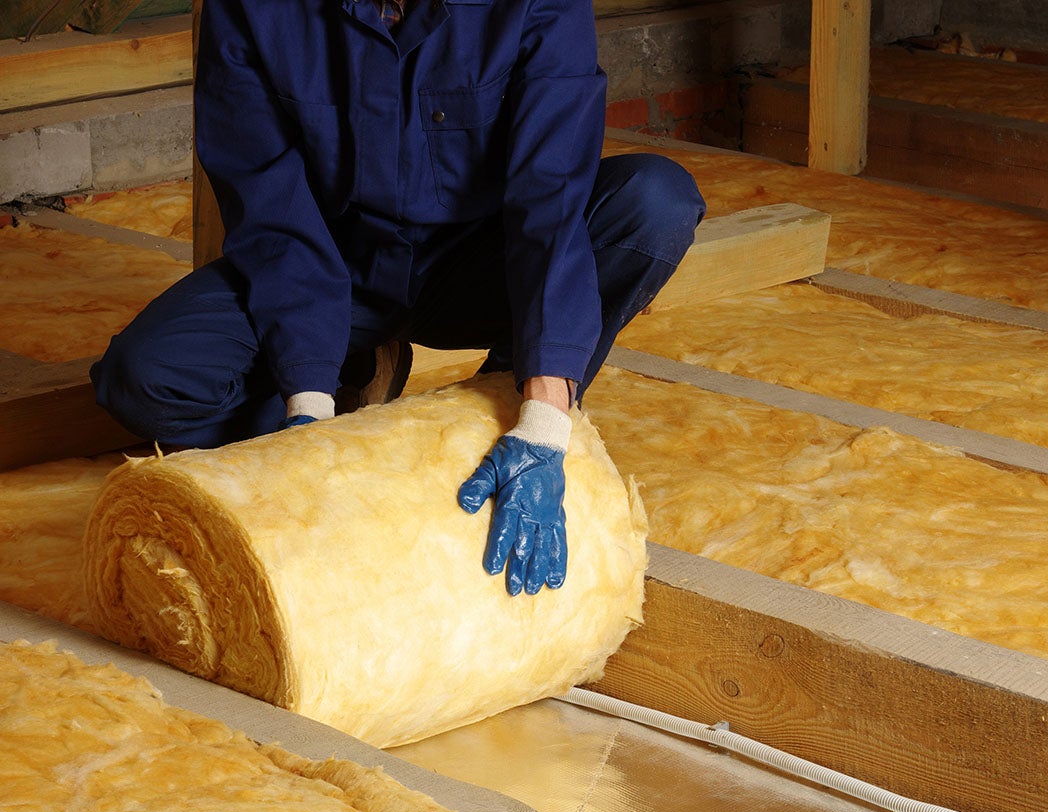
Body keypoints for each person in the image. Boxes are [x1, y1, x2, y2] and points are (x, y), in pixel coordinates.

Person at [90, 0, 706, 597]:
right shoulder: (252, 7)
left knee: (655, 203)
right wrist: (307, 406)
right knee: (142, 379)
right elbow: (273, 214)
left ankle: (489, 409)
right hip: (336, 271)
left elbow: (551, 197)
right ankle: (354, 372)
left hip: (484, 264)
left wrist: (544, 422)